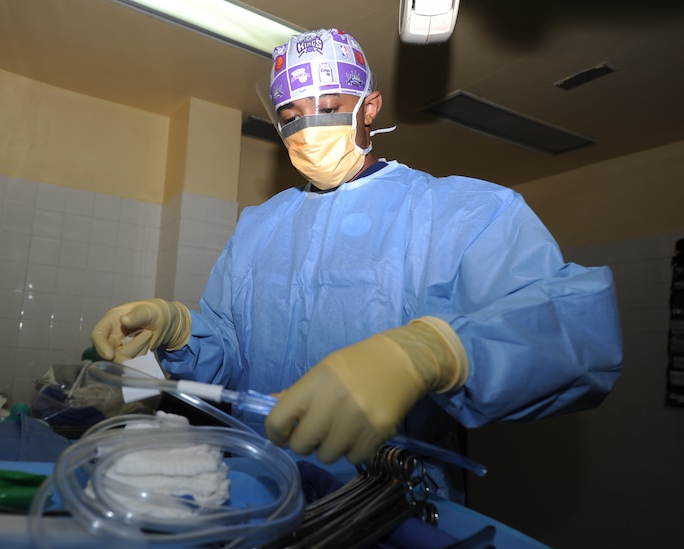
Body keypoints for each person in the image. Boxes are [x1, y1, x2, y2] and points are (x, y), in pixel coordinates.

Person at [91, 28, 623, 501]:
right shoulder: (260, 225)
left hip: (388, 500)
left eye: (327, 105)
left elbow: (576, 332)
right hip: (256, 486)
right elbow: (230, 354)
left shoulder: (461, 213)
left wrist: (433, 351)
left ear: (370, 106)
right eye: (290, 115)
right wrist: (181, 329)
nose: (307, 127)